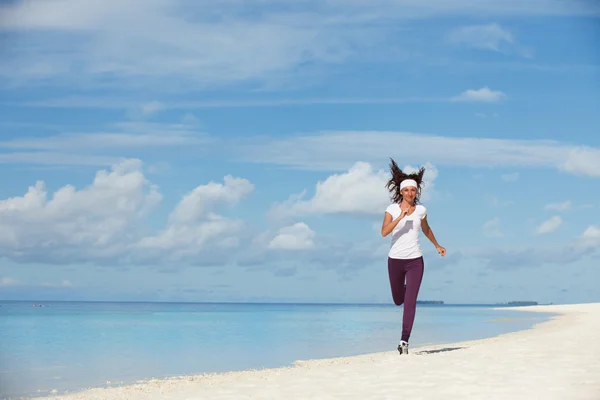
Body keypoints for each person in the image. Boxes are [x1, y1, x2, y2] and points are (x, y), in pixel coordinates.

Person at [381, 158, 446, 355]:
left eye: (413, 190)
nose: (410, 193)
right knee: (398, 299)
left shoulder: (421, 211)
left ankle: (404, 341)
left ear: (416, 192)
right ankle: (408, 289)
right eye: (407, 190)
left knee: (410, 302)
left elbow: (426, 229)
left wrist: (437, 245)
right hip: (395, 260)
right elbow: (384, 232)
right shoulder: (391, 209)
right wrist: (401, 217)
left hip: (415, 260)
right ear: (401, 191)